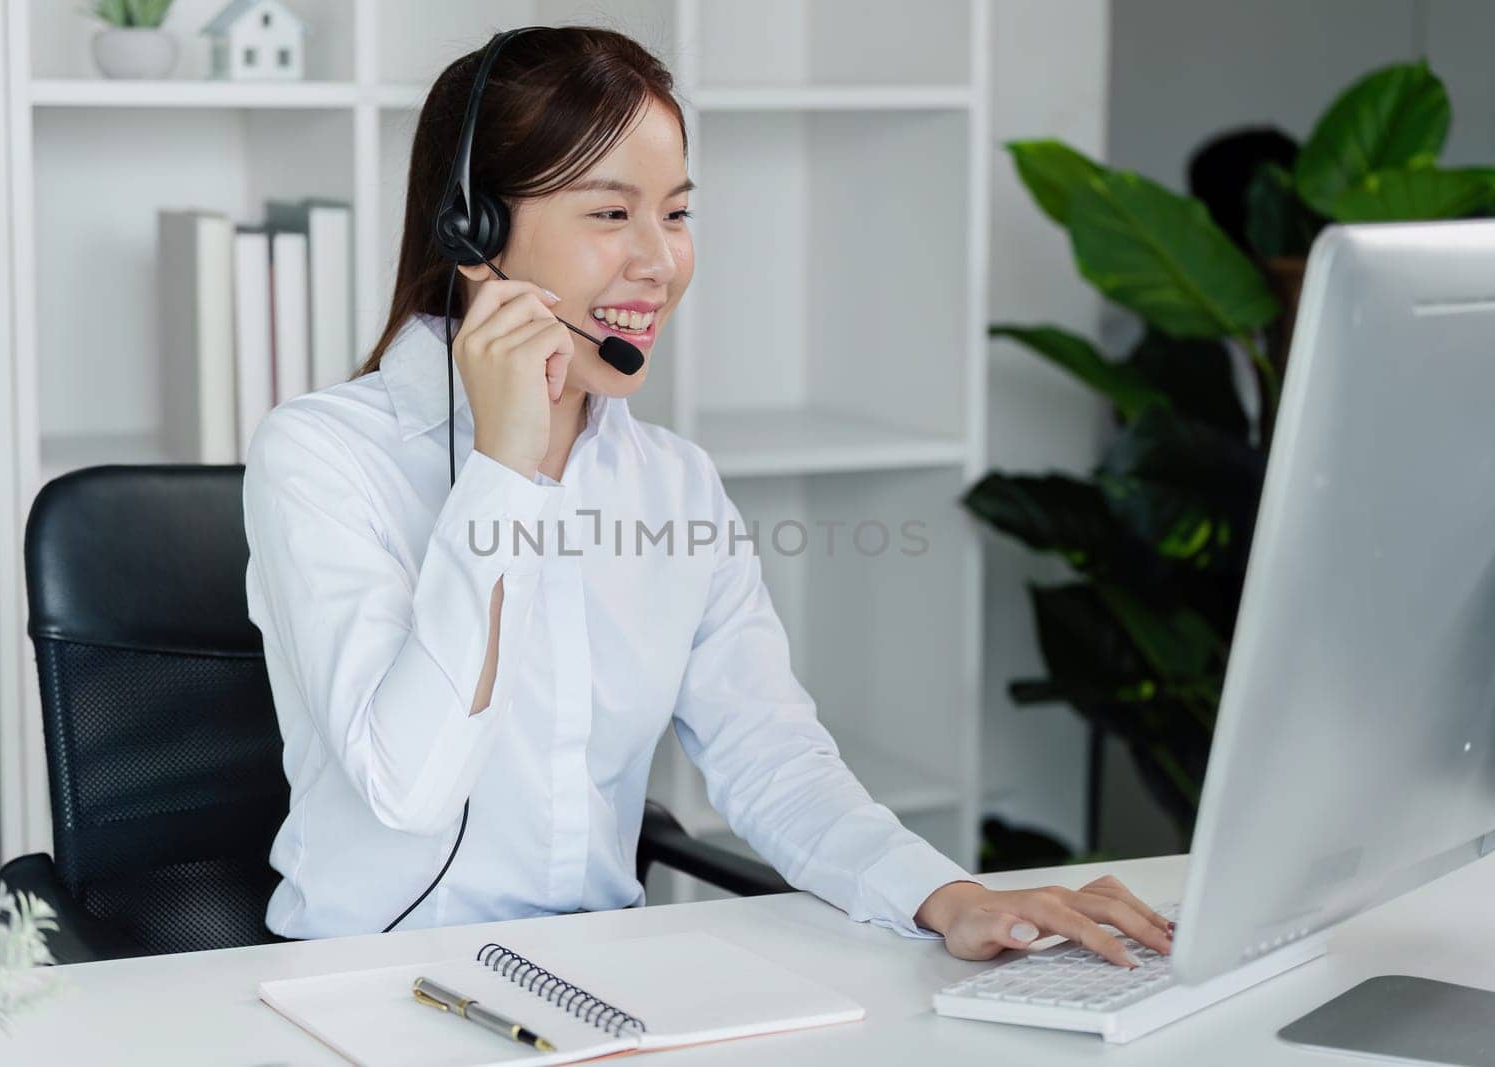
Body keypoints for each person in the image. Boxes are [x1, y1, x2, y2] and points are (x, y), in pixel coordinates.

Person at [242, 25, 1174, 969]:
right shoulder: (321, 457)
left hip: (594, 988)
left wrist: (949, 897)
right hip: (359, 989)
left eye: (677, 214)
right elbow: (407, 787)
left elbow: (770, 760)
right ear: (473, 232)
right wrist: (505, 469)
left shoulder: (672, 483)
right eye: (611, 215)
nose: (660, 261)